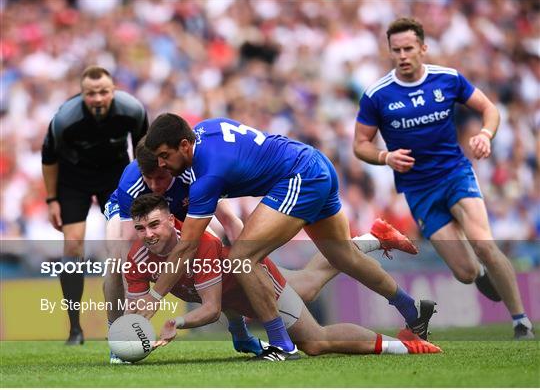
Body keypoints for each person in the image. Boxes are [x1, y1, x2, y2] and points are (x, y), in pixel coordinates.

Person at [136, 113, 436, 362]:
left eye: (165, 156)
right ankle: (411, 309)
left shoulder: (208, 175)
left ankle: (281, 344)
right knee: (341, 257)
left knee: (241, 258)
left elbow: (187, 246)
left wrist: (154, 296)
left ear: (185, 145)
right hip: (314, 165)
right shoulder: (205, 130)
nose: (161, 165)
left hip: (299, 178)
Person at [353, 17, 534, 340]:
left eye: (409, 48)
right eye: (396, 50)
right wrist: (385, 157)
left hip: (455, 173)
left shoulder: (447, 79)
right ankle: (479, 273)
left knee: (484, 243)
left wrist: (485, 135)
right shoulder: (377, 95)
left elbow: (489, 109)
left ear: (423, 48)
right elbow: (360, 145)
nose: (403, 55)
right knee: (464, 272)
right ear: (390, 52)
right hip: (419, 190)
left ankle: (521, 322)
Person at [126, 194, 441, 359]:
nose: (148, 234)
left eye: (154, 225)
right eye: (140, 228)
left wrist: (176, 324)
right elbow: (215, 298)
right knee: (310, 281)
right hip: (239, 292)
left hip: (259, 284)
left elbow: (210, 306)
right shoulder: (137, 258)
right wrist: (124, 343)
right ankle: (374, 237)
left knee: (315, 341)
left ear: (171, 220)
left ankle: (408, 347)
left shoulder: (199, 243)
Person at [104, 140, 243, 363]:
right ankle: (116, 335)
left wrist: (252, 263)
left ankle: (238, 327)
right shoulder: (131, 184)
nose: (154, 184)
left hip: (174, 208)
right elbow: (128, 241)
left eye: (160, 178)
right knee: (114, 263)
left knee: (214, 243)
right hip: (137, 213)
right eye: (147, 178)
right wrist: (131, 318)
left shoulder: (193, 173)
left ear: (170, 166)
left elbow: (229, 220)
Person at [41, 66, 148, 345]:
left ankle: (128, 321)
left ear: (114, 91)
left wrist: (144, 192)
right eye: (91, 94)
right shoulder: (65, 119)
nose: (98, 99)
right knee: (73, 245)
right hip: (73, 179)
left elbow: (142, 151)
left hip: (114, 175)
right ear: (82, 94)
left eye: (104, 92)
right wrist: (52, 200)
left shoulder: (132, 110)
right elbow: (49, 159)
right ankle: (75, 328)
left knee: (122, 243)